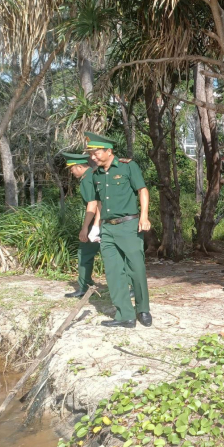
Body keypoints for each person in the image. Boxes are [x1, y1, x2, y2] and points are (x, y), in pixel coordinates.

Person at [83, 132, 152, 329]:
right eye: (92, 154)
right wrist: (96, 226)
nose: (93, 157)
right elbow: (99, 204)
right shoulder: (96, 174)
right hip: (108, 229)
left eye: (96, 153)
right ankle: (125, 315)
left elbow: (142, 190)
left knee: (136, 269)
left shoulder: (128, 166)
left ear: (108, 151)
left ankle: (143, 309)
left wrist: (144, 216)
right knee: (114, 272)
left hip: (129, 225)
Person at [63, 152, 99, 298]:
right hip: (107, 221)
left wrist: (86, 228)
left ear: (79, 166)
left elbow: (93, 203)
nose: (71, 172)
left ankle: (85, 286)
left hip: (97, 223)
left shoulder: (87, 179)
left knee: (84, 253)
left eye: (72, 169)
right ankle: (133, 286)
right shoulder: (95, 174)